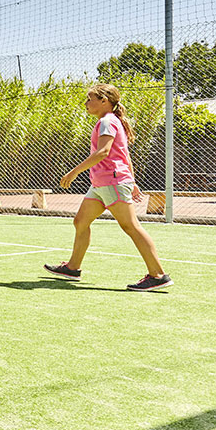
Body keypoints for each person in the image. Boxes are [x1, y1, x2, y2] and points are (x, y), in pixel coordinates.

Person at [44, 83, 172, 291]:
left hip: (111, 182)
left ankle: (158, 275)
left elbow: (103, 152)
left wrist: (73, 172)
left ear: (104, 101)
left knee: (131, 226)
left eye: (89, 99)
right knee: (81, 221)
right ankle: (73, 267)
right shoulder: (110, 121)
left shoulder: (107, 121)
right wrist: (132, 180)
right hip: (101, 185)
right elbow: (125, 155)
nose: (86, 103)